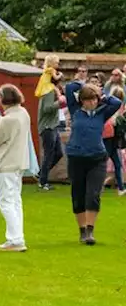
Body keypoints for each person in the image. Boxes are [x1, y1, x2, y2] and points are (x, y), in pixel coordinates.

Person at [64, 77, 120, 244]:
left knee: (93, 195)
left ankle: (90, 231)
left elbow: (116, 102)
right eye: (87, 100)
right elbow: (69, 87)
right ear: (81, 101)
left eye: (93, 99)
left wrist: (100, 93)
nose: (91, 103)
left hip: (97, 158)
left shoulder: (103, 112)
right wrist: (85, 85)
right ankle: (81, 230)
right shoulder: (75, 110)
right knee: (78, 195)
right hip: (76, 158)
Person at [0, 84, 31, 252]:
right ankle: (17, 237)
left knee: (6, 202)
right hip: (19, 163)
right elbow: (10, 130)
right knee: (15, 201)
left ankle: (15, 239)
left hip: (7, 163)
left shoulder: (8, 119)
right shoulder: (22, 113)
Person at [36, 57, 64, 191]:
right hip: (47, 126)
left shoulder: (51, 89)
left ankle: (41, 174)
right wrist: (60, 103)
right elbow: (47, 109)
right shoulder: (48, 92)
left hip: (53, 125)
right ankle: (43, 182)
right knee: (49, 154)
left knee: (59, 153)